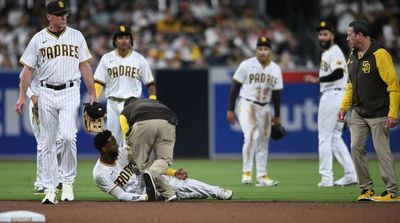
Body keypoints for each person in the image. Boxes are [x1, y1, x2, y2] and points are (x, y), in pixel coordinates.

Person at [15, 0, 96, 204]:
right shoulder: (38, 39)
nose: (63, 17)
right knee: (48, 143)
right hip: (46, 92)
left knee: (69, 137)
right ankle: (50, 188)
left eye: (65, 13)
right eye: (59, 14)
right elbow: (27, 71)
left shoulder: (76, 36)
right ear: (48, 16)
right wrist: (22, 96)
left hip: (70, 91)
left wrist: (93, 94)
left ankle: (67, 182)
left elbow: (85, 67)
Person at [338, 20, 400, 202]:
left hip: (379, 111)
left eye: (350, 34)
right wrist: (344, 106)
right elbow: (351, 85)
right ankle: (366, 189)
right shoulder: (353, 55)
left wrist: (393, 113)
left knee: (382, 150)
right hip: (358, 111)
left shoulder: (380, 55)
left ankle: (392, 191)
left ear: (360, 35)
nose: (348, 37)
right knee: (356, 147)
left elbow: (393, 86)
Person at [92, 130, 233, 201]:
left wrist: (172, 173)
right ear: (104, 149)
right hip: (141, 196)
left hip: (153, 182)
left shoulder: (122, 153)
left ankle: (217, 191)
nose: (117, 146)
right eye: (113, 144)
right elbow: (121, 195)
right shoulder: (100, 174)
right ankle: (195, 194)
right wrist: (146, 198)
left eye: (116, 142)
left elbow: (148, 165)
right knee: (180, 195)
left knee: (181, 184)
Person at [303, 21, 357, 187]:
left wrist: (318, 79)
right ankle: (351, 174)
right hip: (337, 95)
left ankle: (326, 178)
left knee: (324, 137)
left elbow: (339, 72)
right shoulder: (328, 53)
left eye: (326, 34)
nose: (322, 37)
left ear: (332, 36)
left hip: (333, 95)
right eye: (320, 34)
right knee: (334, 137)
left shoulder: (334, 51)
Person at [226, 36, 282, 187]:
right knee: (251, 135)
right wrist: (230, 110)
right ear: (256, 50)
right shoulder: (246, 65)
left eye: (265, 49)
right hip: (246, 104)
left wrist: (277, 116)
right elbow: (235, 88)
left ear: (270, 51)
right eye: (260, 49)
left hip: (265, 107)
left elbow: (277, 95)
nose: (262, 52)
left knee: (264, 140)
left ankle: (262, 176)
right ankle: (247, 173)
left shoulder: (276, 69)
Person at [94, 25, 156, 147]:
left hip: (131, 104)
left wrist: (153, 99)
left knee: (130, 143)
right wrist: (94, 100)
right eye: (120, 37)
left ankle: (130, 166)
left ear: (131, 40)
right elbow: (99, 82)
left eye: (127, 37)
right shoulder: (107, 58)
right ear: (115, 40)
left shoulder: (139, 59)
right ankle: (114, 167)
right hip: (112, 104)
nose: (124, 40)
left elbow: (150, 83)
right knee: (112, 142)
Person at [120, 97, 179, 201]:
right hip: (168, 121)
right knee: (164, 159)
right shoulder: (155, 102)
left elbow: (126, 133)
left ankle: (165, 189)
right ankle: (168, 191)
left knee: (142, 163)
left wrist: (131, 150)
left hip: (142, 124)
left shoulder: (125, 111)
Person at [25, 72, 63, 194]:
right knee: (43, 143)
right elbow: (22, 79)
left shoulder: (56, 59)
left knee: (60, 140)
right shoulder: (35, 56)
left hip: (54, 101)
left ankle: (56, 178)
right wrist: (32, 96)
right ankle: (41, 183)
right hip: (37, 102)